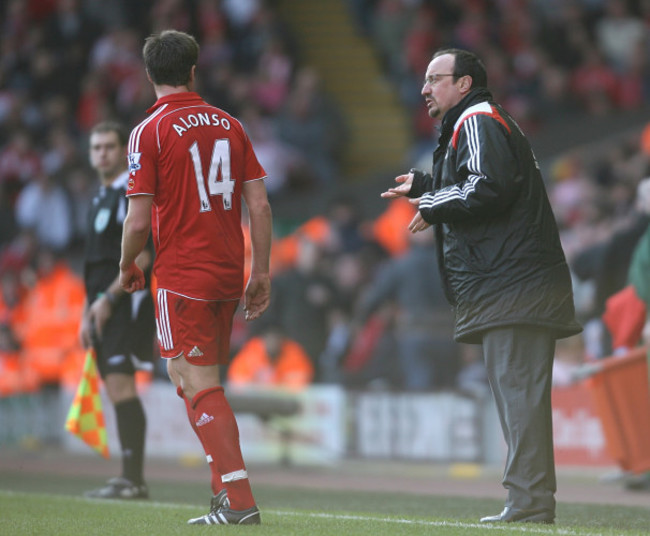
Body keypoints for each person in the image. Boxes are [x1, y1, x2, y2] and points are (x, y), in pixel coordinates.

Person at [381, 48, 582, 524]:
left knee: (519, 398)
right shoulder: (480, 123)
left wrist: (433, 204)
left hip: (513, 285)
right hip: (514, 284)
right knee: (519, 398)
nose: (425, 89)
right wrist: (427, 186)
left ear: (465, 84)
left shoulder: (476, 120)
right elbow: (483, 184)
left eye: (435, 79)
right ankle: (528, 499)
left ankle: (529, 502)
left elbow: (486, 186)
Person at [119, 30, 272, 526]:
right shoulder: (230, 123)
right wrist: (261, 270)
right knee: (185, 375)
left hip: (183, 274)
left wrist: (127, 264)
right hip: (229, 271)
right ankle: (223, 494)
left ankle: (241, 502)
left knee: (198, 380)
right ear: (193, 70)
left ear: (148, 75)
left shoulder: (149, 130)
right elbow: (260, 204)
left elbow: (138, 220)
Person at [79, 121, 155, 500]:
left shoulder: (131, 191)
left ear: (124, 150)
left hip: (125, 302)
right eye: (96, 148)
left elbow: (143, 252)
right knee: (114, 384)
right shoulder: (99, 197)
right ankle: (129, 477)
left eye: (109, 146)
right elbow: (94, 264)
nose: (102, 154)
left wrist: (108, 299)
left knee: (122, 383)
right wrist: (86, 310)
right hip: (102, 304)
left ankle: (133, 479)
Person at [227, 323, 314, 391]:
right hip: (256, 403)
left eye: (276, 338)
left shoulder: (293, 352)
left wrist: (271, 380)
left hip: (286, 404)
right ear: (262, 340)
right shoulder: (251, 351)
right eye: (269, 338)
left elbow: (301, 382)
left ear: (282, 340)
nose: (273, 343)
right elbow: (236, 381)